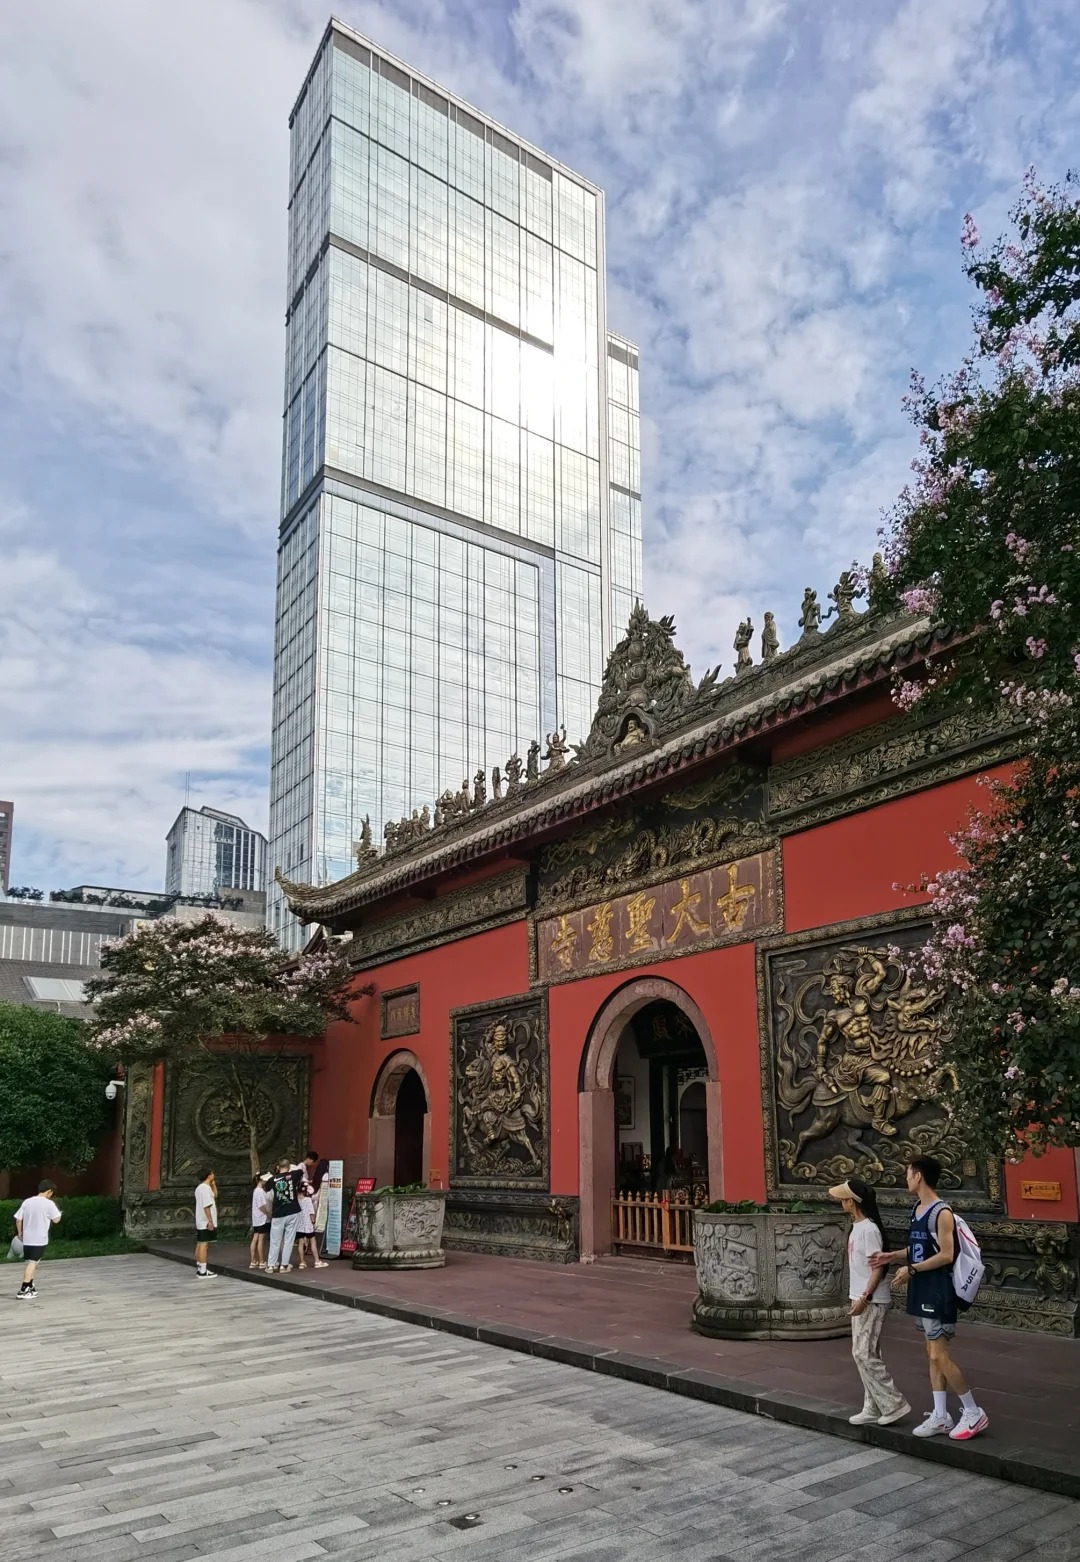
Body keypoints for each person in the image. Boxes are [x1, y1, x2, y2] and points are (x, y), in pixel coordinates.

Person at [870, 1155, 988, 1441]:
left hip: (938, 1289)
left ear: (919, 1176)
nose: (906, 1178)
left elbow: (946, 1255)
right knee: (931, 1353)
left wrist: (911, 1270)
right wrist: (894, 1256)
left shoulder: (941, 1212)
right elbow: (921, 1249)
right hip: (923, 1287)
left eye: (908, 1173)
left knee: (939, 1353)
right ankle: (940, 1415)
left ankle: (973, 1412)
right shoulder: (918, 1209)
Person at [828, 1178, 910, 1427]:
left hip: (872, 1299)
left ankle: (894, 1403)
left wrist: (866, 1297)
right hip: (861, 1296)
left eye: (843, 1198)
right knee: (867, 1353)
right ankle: (872, 1407)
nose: (841, 1201)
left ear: (852, 1202)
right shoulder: (858, 1226)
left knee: (862, 1353)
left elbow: (878, 1267)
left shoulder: (869, 1229)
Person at [14, 1180, 62, 1299]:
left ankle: (30, 1286)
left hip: (27, 1238)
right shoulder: (49, 1204)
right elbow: (56, 1220)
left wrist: (20, 1233)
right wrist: (60, 1214)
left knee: (32, 1262)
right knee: (32, 1263)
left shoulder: (27, 1202)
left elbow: (18, 1219)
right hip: (39, 1239)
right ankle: (24, 1289)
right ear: (49, 1191)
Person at [266, 1157, 303, 1274]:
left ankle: (271, 1265)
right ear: (288, 1166)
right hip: (293, 1211)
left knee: (275, 1240)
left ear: (278, 1167)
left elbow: (269, 1197)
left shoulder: (271, 1180)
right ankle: (284, 1265)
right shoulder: (294, 1175)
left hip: (278, 1213)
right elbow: (300, 1170)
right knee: (289, 1240)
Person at [194, 1168, 218, 1278]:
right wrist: (210, 1221)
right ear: (208, 1175)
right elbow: (207, 1206)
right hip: (205, 1221)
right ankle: (203, 1271)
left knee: (200, 1244)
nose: (214, 1174)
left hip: (201, 1220)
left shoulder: (201, 1188)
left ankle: (200, 1267)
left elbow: (215, 1195)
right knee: (204, 1245)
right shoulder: (204, 1188)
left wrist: (213, 1185)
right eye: (212, 1173)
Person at [249, 1174, 272, 1269]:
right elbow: (261, 1206)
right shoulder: (260, 1191)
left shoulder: (256, 1191)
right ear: (261, 1180)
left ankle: (253, 1261)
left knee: (255, 1238)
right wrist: (268, 1214)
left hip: (256, 1218)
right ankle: (262, 1261)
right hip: (262, 1218)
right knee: (261, 1240)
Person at [296, 1180, 316, 1269]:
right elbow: (311, 1213)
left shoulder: (296, 1200)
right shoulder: (308, 1200)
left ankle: (302, 1262)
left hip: (299, 1225)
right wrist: (313, 1222)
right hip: (308, 1225)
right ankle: (317, 1261)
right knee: (313, 1242)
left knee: (301, 1243)